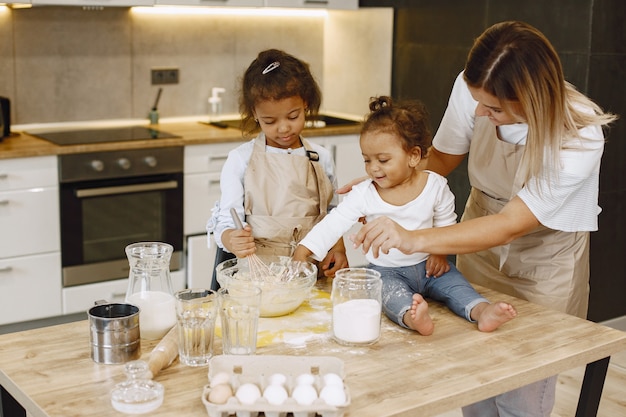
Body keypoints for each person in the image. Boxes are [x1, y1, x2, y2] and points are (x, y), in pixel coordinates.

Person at [346, 22, 618, 417]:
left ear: (530, 99)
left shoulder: (579, 134)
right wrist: (391, 182)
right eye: (477, 101)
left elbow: (510, 223)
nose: (478, 112)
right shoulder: (474, 87)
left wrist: (413, 237)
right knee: (474, 370)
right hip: (478, 238)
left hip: (546, 257)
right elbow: (440, 160)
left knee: (523, 388)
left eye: (492, 109)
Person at [293, 95, 517, 335]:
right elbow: (334, 224)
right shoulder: (363, 193)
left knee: (457, 286)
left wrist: (439, 254)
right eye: (367, 160)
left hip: (430, 267)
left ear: (413, 156)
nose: (373, 168)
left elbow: (446, 223)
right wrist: (304, 250)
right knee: (389, 295)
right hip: (386, 271)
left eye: (383, 160)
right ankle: (413, 318)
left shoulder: (435, 186)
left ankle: (482, 311)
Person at [206, 49, 348, 289]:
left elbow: (333, 213)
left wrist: (338, 247)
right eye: (270, 121)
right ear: (255, 114)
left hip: (311, 275)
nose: (283, 129)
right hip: (258, 280)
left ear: (305, 103)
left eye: (293, 116)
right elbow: (225, 222)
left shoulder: (320, 158)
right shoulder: (241, 160)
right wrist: (231, 239)